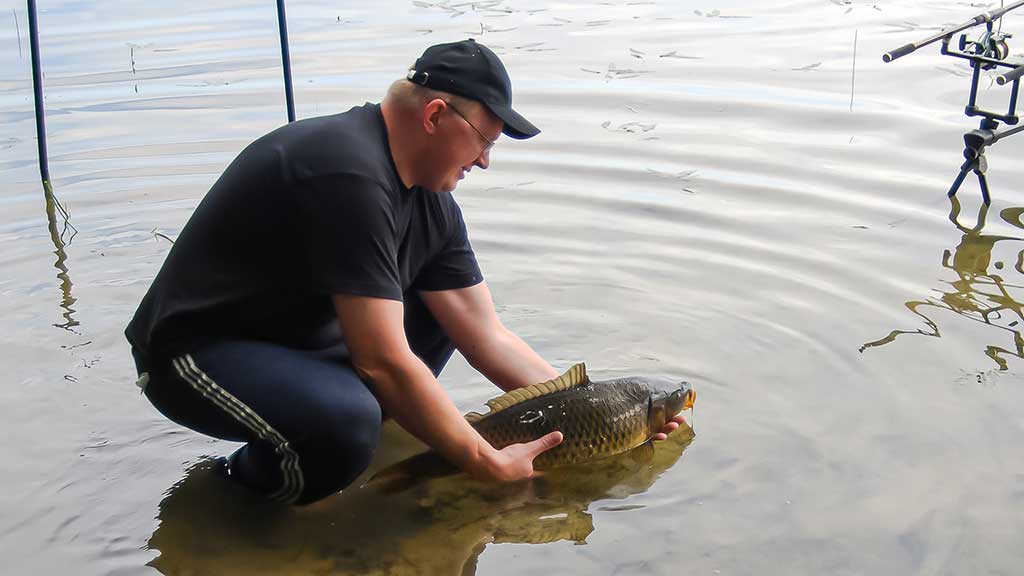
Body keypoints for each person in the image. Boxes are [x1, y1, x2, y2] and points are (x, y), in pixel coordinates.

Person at [127, 39, 685, 505]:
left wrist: (596, 404)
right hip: (195, 354)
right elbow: (382, 362)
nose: (486, 161)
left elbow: (485, 334)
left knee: (440, 317)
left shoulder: (433, 204)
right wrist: (481, 460)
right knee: (347, 425)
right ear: (436, 114)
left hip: (295, 343)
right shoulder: (347, 172)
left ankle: (360, 464)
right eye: (485, 139)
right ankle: (230, 503)